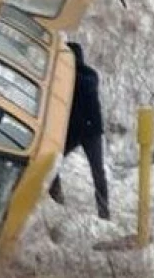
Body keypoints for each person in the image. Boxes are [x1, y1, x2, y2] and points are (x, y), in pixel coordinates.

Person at [49, 42, 111, 220]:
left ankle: (104, 213)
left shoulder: (88, 75)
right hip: (75, 130)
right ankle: (56, 199)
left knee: (98, 171)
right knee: (53, 162)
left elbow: (83, 86)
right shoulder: (66, 77)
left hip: (91, 130)